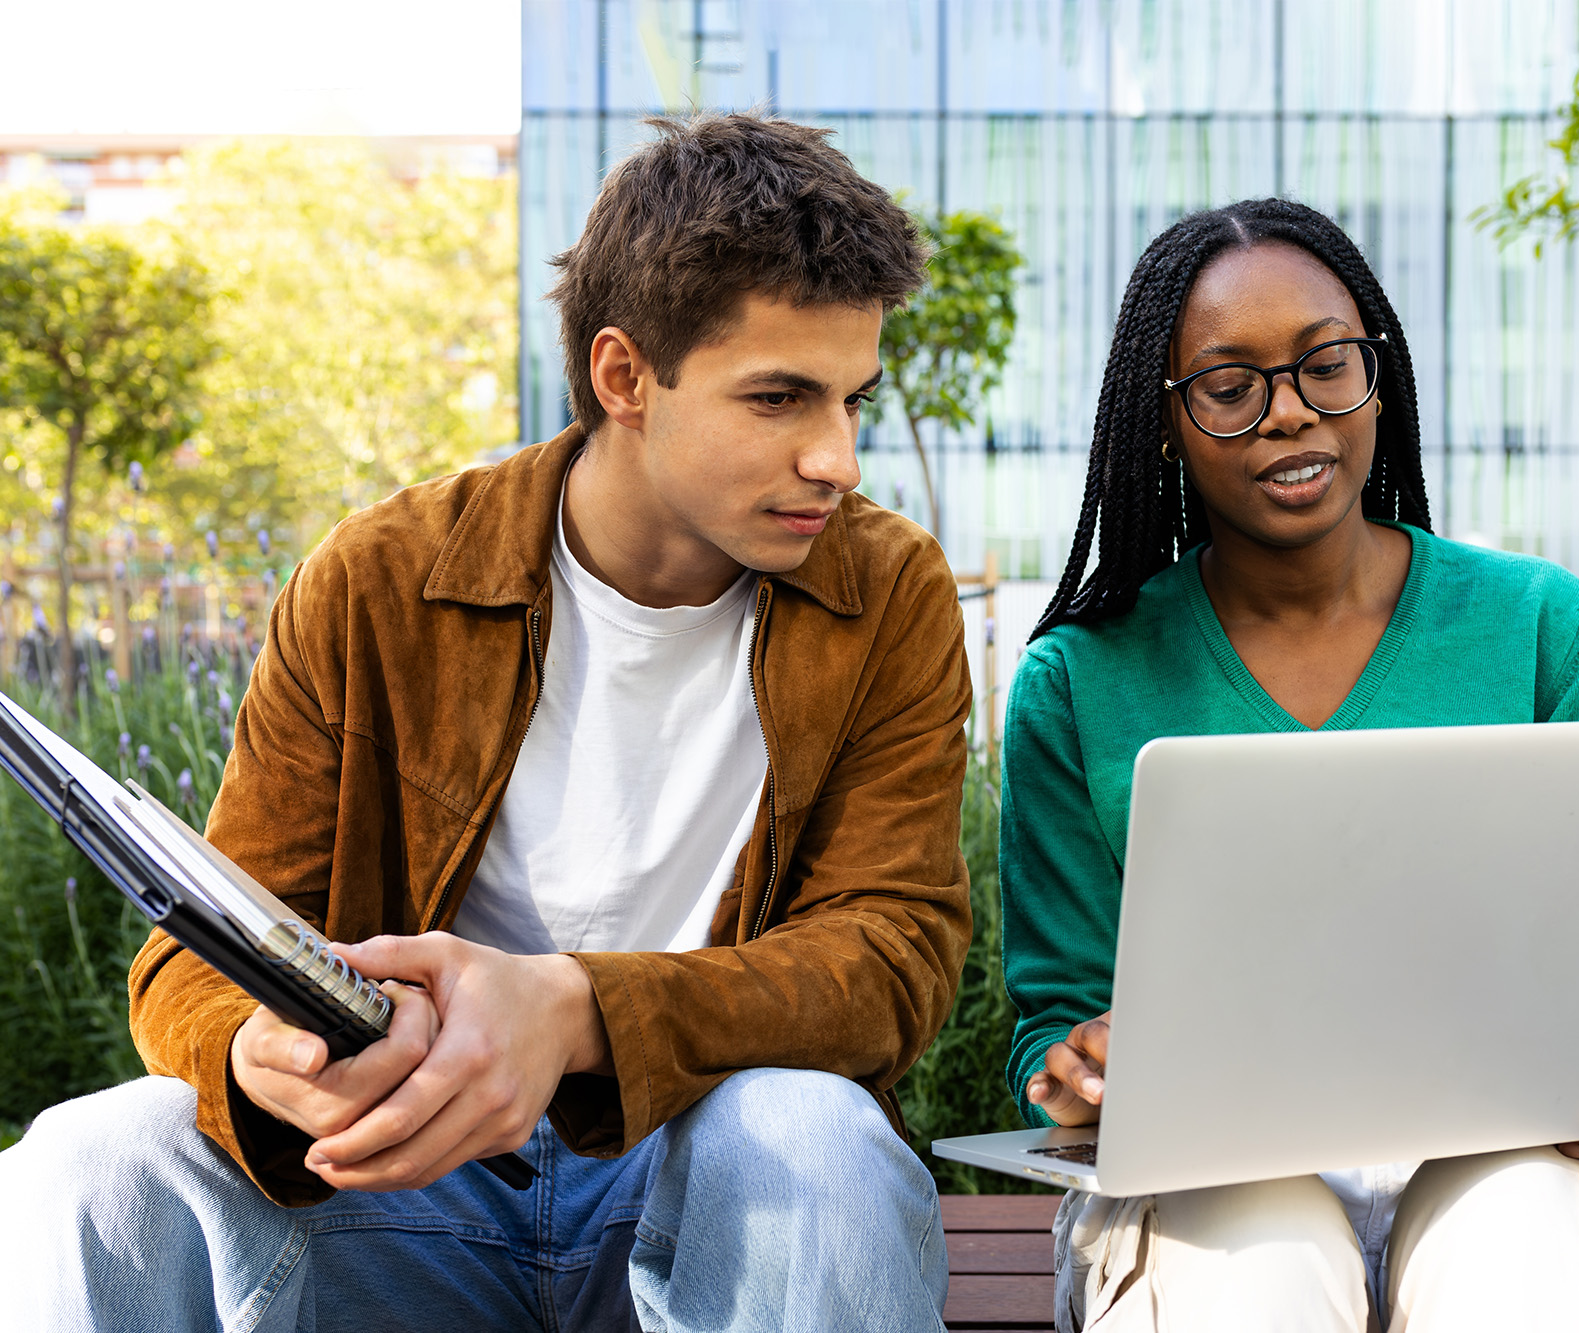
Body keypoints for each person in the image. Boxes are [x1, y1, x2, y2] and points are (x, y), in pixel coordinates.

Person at [1, 111, 972, 1333]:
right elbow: (199, 946)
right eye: (779, 397)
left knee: (808, 1130)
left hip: (693, 1185)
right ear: (624, 376)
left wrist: (572, 1009)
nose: (836, 457)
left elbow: (893, 953)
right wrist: (257, 1054)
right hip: (402, 1180)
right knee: (94, 1158)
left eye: (850, 400)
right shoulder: (378, 579)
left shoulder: (885, 592)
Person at [1000, 199, 1579, 1333]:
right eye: (1228, 389)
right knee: (1254, 1267)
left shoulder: (1537, 627)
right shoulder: (1079, 682)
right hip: (1207, 1182)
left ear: (1378, 374)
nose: (1289, 415)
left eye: (1326, 365)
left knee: (1526, 1263)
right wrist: (1079, 1067)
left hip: (1507, 1162)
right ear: (1165, 422)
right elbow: (1051, 1025)